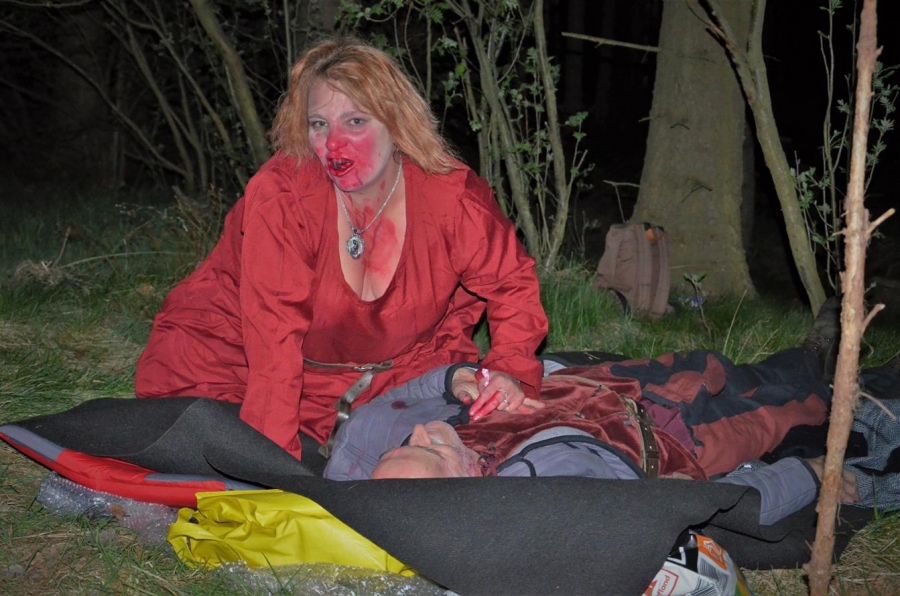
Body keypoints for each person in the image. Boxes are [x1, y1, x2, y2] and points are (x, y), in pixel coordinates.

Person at [134, 38, 548, 460]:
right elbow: (273, 341)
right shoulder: (284, 197)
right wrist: (270, 465)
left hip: (392, 376)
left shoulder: (450, 197)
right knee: (202, 450)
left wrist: (509, 369)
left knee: (465, 456)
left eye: (355, 121)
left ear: (397, 123)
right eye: (319, 124)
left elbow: (511, 283)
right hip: (237, 363)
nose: (334, 145)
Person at [324, 302, 900, 524]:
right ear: (469, 479)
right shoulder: (550, 497)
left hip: (605, 382)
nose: (422, 430)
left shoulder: (366, 458)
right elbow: (704, 506)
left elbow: (390, 408)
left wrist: (456, 380)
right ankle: (848, 364)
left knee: (725, 364)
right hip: (680, 433)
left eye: (410, 443)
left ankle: (810, 349)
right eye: (433, 448)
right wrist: (807, 478)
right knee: (802, 405)